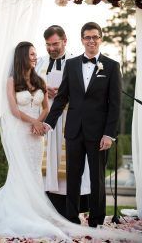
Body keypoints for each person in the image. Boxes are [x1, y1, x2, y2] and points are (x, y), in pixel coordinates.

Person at [0, 41, 140, 243]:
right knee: (21, 173)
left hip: (36, 135)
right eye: (32, 55)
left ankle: (37, 213)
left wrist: (42, 123)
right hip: (22, 131)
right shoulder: (12, 81)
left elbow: (47, 106)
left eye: (35, 54)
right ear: (21, 57)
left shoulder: (39, 78)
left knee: (36, 173)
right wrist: (36, 122)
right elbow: (13, 110)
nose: (35, 57)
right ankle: (19, 211)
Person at [45, 22, 122, 227]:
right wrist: (49, 123)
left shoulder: (112, 66)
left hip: (98, 134)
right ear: (82, 40)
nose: (91, 41)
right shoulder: (71, 65)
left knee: (97, 179)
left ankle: (96, 221)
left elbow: (115, 105)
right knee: (73, 178)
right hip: (74, 130)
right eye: (87, 37)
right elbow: (61, 98)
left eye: (95, 37)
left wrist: (109, 134)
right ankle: (71, 218)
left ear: (100, 39)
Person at [36, 25, 90, 217]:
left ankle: (70, 207)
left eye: (55, 44)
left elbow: (88, 90)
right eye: (48, 45)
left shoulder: (77, 62)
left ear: (65, 41)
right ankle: (45, 205)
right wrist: (43, 90)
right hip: (45, 119)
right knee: (46, 160)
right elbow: (26, 86)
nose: (51, 48)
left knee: (68, 162)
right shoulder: (39, 63)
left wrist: (65, 93)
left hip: (69, 119)